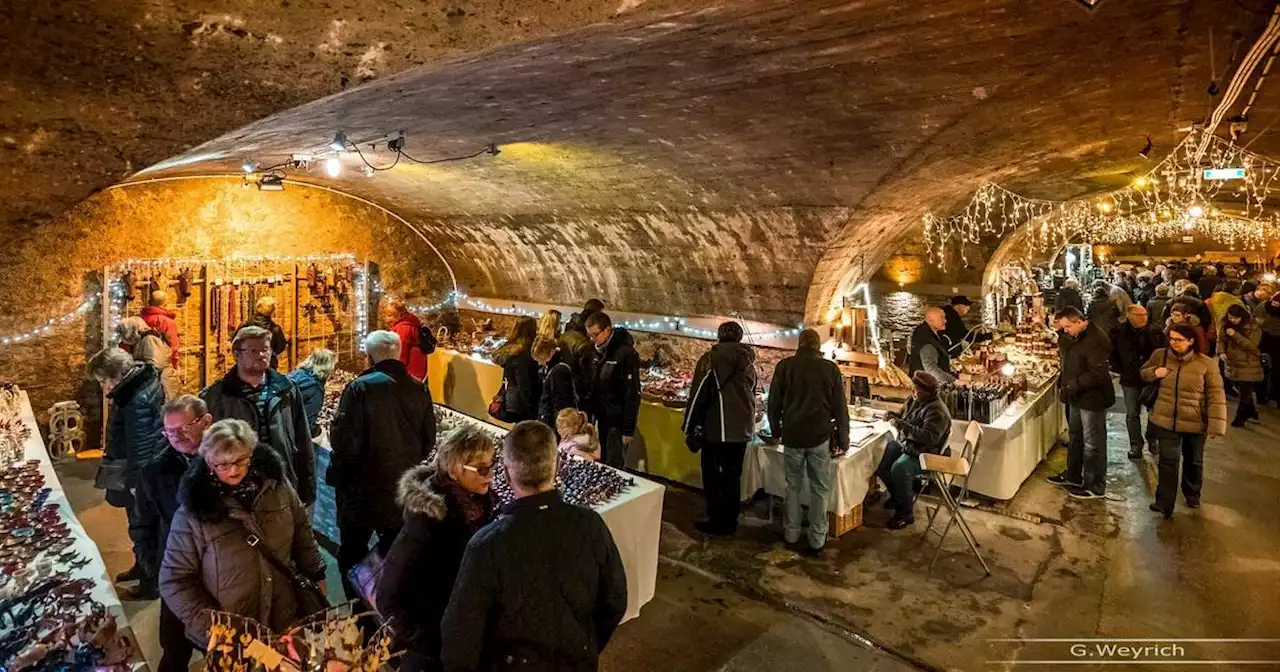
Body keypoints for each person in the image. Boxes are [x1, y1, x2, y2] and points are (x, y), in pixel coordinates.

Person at [441, 421, 627, 671]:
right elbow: (615, 600)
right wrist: (585, 645)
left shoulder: (486, 545)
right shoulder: (590, 524)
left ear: (506, 474)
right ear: (558, 466)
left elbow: (460, 636)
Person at [159, 419, 327, 646]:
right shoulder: (193, 514)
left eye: (240, 460)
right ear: (209, 463)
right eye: (223, 465)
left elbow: (302, 536)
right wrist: (216, 628)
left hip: (286, 618)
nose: (234, 470)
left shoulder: (278, 488)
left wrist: (317, 574)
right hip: (234, 635)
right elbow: (175, 580)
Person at [378, 425, 498, 672]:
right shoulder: (428, 521)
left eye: (493, 464)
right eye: (483, 468)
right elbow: (388, 595)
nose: (491, 474)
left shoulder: (482, 508)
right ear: (454, 471)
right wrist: (429, 644)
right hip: (434, 654)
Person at [329, 330, 436, 596]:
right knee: (395, 553)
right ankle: (388, 608)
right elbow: (428, 441)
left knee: (353, 552)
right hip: (401, 489)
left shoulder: (360, 388)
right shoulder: (418, 388)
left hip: (361, 491)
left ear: (369, 356)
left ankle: (358, 609)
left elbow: (345, 443)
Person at [130, 395, 210, 670]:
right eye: (170, 431)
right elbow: (142, 526)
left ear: (206, 421)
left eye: (184, 428)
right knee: (175, 650)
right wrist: (155, 569)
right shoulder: (154, 472)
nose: (176, 437)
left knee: (227, 648)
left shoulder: (228, 464)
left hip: (224, 577)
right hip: (178, 576)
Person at [200, 326, 316, 506]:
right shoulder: (215, 397)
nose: (261, 355)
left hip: (281, 481)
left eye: (265, 349)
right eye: (253, 350)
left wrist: (307, 486)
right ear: (237, 354)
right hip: (237, 488)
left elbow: (302, 439)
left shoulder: (287, 390)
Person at [88, 348, 166, 591]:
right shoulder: (135, 388)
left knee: (143, 526)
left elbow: (140, 445)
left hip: (141, 474)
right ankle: (141, 566)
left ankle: (150, 580)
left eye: (104, 381)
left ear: (117, 375)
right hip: (140, 470)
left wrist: (136, 484)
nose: (104, 388)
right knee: (139, 524)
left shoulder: (136, 400)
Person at [767, 328, 849, 552]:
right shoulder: (829, 369)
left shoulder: (784, 366)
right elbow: (840, 407)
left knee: (792, 486)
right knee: (819, 488)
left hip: (793, 435)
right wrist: (843, 438)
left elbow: (773, 403)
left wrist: (775, 431)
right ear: (817, 345)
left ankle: (791, 533)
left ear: (800, 344)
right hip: (819, 436)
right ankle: (817, 538)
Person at [1141, 324, 1227, 519]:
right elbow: (1143, 373)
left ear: (1191, 341)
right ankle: (1164, 502)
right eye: (1171, 338)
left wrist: (1216, 426)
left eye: (1178, 340)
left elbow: (1216, 395)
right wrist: (1154, 373)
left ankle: (1192, 493)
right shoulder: (1160, 355)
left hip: (1195, 422)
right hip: (1166, 420)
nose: (1174, 343)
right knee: (1167, 462)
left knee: (1193, 460)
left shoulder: (1206, 364)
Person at [682, 322, 758, 537]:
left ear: (719, 336)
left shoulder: (711, 359)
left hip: (717, 427)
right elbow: (752, 389)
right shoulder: (748, 361)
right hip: (741, 428)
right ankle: (730, 521)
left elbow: (698, 394)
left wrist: (689, 426)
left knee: (713, 475)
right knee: (733, 476)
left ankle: (716, 519)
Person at [1047, 307, 1114, 499]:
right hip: (1076, 395)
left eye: (1067, 326)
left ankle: (1094, 486)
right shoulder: (1078, 335)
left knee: (1093, 443)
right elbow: (1067, 346)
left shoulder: (1095, 340)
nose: (1065, 330)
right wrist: (1059, 330)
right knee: (1075, 436)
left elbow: (1098, 374)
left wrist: (1073, 384)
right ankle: (1074, 476)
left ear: (1079, 321)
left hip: (1092, 398)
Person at [873, 371, 951, 530]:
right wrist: (892, 416)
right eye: (914, 389)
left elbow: (928, 438)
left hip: (926, 452)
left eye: (917, 390)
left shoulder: (936, 411)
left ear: (928, 392)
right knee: (882, 461)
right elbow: (904, 416)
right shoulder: (915, 399)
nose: (913, 392)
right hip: (909, 444)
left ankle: (905, 513)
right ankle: (898, 496)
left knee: (900, 468)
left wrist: (901, 425)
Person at [585, 312, 642, 467]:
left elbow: (632, 393)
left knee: (613, 462)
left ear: (607, 330)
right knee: (601, 459)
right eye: (589, 335)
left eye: (595, 334)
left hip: (616, 420)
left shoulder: (625, 354)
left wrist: (628, 429)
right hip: (601, 417)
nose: (592, 339)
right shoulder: (595, 352)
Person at [1110, 305, 1165, 458]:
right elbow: (1112, 352)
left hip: (1152, 379)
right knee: (1132, 413)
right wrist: (1120, 368)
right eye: (1139, 315)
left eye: (1145, 314)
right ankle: (1136, 445)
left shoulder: (1155, 332)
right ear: (1129, 315)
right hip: (1130, 378)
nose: (1143, 318)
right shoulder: (1119, 331)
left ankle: (1152, 438)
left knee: (1154, 412)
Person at [492, 316, 541, 423]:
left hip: (510, 396)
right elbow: (524, 383)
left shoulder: (510, 348)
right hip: (522, 401)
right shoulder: (526, 352)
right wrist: (531, 407)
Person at [1221, 304, 1264, 427]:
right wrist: (1222, 351)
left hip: (1248, 363)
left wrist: (1235, 335)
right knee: (1242, 389)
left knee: (1245, 390)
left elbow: (1252, 346)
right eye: (1230, 317)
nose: (1233, 320)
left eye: (1236, 318)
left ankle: (1240, 418)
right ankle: (1252, 412)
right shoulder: (1226, 324)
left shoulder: (1253, 328)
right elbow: (1221, 339)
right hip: (1233, 362)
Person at [561, 300, 604, 415]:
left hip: (564, 388)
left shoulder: (567, 333)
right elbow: (588, 375)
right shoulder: (583, 343)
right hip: (578, 394)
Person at [116, 315, 177, 399]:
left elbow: (154, 366)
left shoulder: (149, 339)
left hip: (162, 386)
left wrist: (133, 366)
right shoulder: (142, 340)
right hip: (154, 386)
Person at [287, 348, 336, 438]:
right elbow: (307, 425)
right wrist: (319, 431)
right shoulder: (315, 387)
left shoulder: (294, 376)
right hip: (293, 439)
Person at [532, 336, 577, 430]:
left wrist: (559, 425)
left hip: (554, 423)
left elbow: (561, 401)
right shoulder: (553, 368)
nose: (540, 363)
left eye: (541, 358)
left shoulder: (559, 370)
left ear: (551, 352)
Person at [237, 295, 289, 370]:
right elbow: (280, 347)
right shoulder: (275, 329)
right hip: (268, 364)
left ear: (257, 307)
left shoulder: (245, 325)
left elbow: (236, 343)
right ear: (272, 310)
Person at [907, 307, 956, 383]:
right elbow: (931, 369)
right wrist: (954, 381)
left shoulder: (928, 333)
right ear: (930, 320)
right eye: (942, 318)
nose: (945, 321)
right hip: (926, 387)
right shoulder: (925, 339)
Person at [388, 298, 431, 383]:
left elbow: (402, 352)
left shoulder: (404, 328)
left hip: (411, 371)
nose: (389, 319)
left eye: (391, 315)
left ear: (398, 313)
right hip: (415, 370)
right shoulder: (408, 324)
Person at [141, 290, 182, 372]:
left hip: (142, 364)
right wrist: (175, 366)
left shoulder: (140, 319)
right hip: (162, 366)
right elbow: (173, 346)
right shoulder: (168, 322)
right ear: (165, 303)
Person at [1261, 291, 1280, 406]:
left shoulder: (1267, 304)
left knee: (1268, 367)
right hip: (1272, 339)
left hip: (1268, 338)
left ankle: (1267, 394)